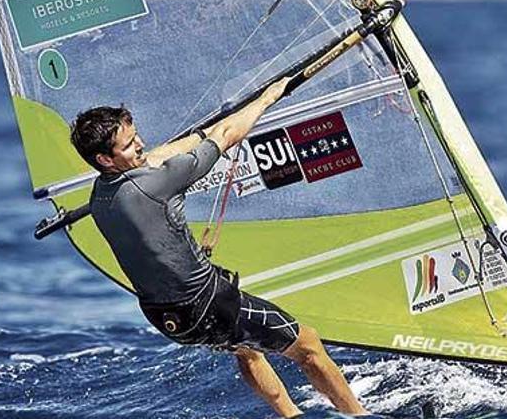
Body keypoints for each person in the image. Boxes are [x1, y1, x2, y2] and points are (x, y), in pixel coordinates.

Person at [69, 79, 367, 417]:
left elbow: (154, 158)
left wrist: (179, 143)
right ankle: (360, 415)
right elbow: (226, 136)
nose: (140, 144)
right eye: (129, 144)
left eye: (135, 135)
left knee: (247, 349)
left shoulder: (100, 195)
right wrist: (269, 97)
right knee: (309, 346)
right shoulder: (157, 183)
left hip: (167, 318)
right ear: (105, 159)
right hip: (208, 304)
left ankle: (291, 415)